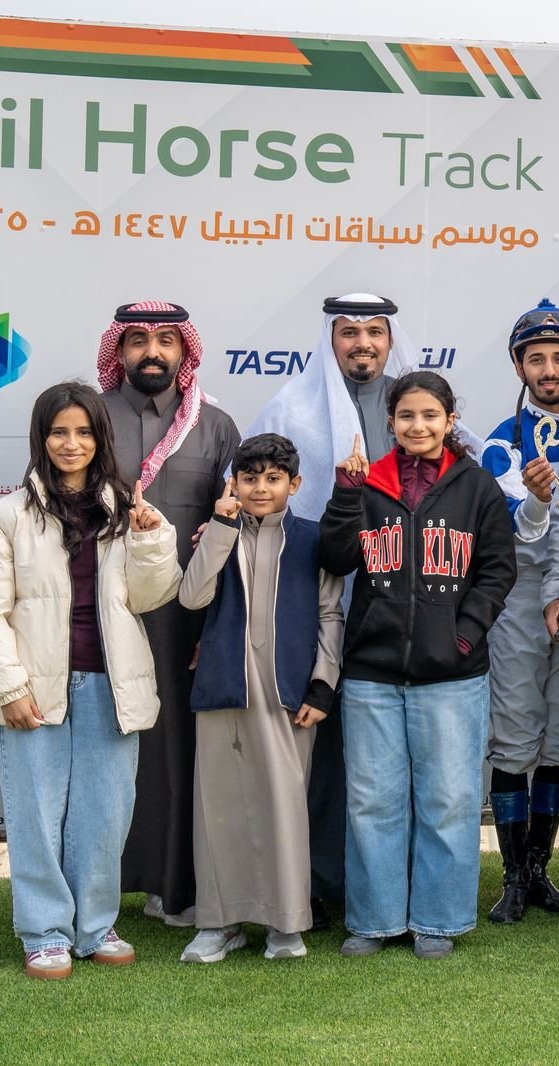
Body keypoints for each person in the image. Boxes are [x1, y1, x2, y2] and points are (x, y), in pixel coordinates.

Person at [318, 371, 516, 959]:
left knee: (448, 799)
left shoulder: (476, 486)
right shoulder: (369, 482)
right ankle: (374, 919)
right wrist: (346, 494)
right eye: (406, 415)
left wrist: (464, 636)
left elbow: (498, 570)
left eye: (430, 415)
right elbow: (335, 557)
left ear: (450, 421)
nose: (418, 425)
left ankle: (439, 919)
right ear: (391, 422)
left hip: (452, 673)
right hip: (372, 671)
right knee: (371, 800)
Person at [248, 292, 422, 926]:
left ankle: (388, 886)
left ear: (390, 340)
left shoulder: (416, 406)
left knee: (386, 757)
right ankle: (316, 884)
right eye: (349, 332)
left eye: (375, 332)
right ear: (331, 339)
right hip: (312, 602)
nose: (362, 343)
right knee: (318, 752)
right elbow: (256, 496)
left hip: (399, 609)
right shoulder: (290, 407)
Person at [0, 382, 180, 979]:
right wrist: (9, 687)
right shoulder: (8, 514)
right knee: (36, 813)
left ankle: (96, 925)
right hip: (34, 686)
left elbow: (150, 597)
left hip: (111, 682)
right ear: (40, 438)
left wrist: (150, 538)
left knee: (105, 813)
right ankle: (44, 932)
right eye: (58, 432)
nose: (71, 444)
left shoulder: (124, 509)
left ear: (100, 437)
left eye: (83, 432)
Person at [176, 433, 345, 963]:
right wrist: (220, 527)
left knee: (284, 807)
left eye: (274, 478)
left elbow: (330, 614)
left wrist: (324, 683)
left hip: (289, 694)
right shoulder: (218, 532)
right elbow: (192, 596)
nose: (261, 488)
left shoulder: (313, 539)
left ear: (295, 484)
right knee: (218, 810)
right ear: (234, 483)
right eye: (250, 478)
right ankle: (218, 923)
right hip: (225, 687)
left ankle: (285, 924)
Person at [100, 301, 240, 929]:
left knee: (180, 749)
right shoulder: (87, 418)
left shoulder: (214, 426)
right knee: (104, 745)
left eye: (165, 340)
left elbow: (235, 530)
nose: (151, 352)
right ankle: (96, 888)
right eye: (137, 340)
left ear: (184, 352)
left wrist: (219, 629)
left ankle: (174, 886)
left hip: (185, 620)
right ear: (119, 349)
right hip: (101, 614)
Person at [478, 300, 559, 921]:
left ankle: (542, 872)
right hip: (520, 597)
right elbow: (505, 530)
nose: (548, 369)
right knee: (515, 730)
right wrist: (539, 501)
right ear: (520, 366)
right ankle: (514, 877)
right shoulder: (501, 441)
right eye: (536, 358)